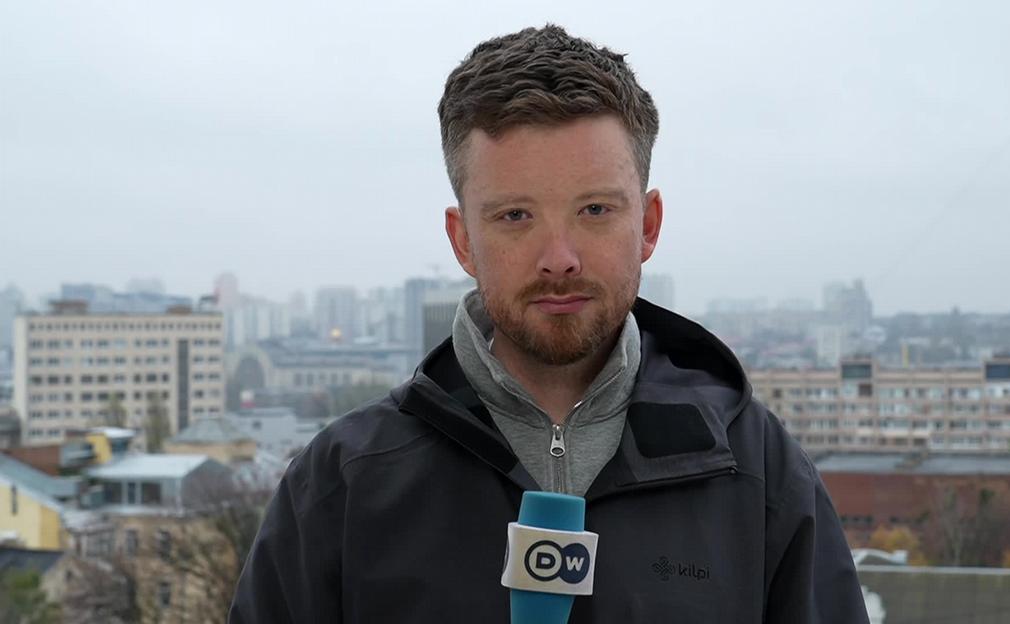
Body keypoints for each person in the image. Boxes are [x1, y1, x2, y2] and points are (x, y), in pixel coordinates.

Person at [229, 25, 869, 623]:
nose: (558, 258)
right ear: (463, 241)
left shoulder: (757, 476)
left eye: (594, 209)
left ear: (647, 225)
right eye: (514, 216)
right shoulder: (346, 483)